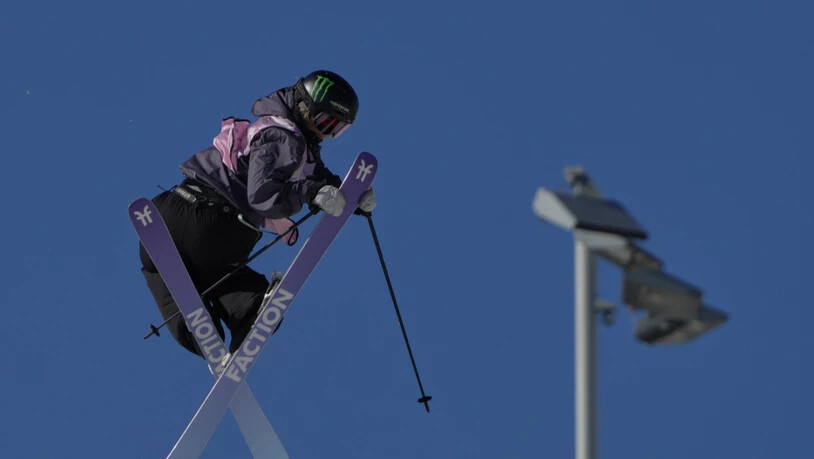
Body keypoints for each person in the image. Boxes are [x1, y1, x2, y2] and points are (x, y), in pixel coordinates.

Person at [139, 70, 375, 357]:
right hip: (215, 225)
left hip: (167, 215)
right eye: (324, 121)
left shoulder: (286, 140)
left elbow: (323, 181)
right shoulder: (285, 138)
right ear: (304, 104)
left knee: (165, 275)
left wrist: (352, 198)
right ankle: (251, 311)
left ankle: (202, 333)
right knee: (232, 282)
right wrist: (310, 194)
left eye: (337, 129)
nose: (325, 133)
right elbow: (262, 195)